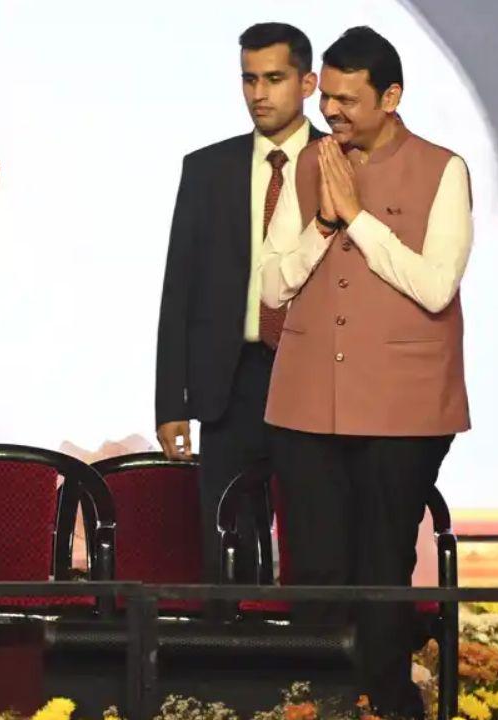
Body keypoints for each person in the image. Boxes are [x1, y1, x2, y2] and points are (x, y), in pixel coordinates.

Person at [258, 26, 473, 717]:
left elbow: (437, 286)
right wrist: (323, 226)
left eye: (349, 100)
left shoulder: (444, 169)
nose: (332, 112)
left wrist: (361, 220)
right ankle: (314, 702)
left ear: (392, 96)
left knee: (384, 562)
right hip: (305, 402)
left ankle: (387, 701)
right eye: (329, 97)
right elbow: (271, 287)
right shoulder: (306, 167)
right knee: (316, 565)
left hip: (403, 405)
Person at [154, 22, 321, 585]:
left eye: (274, 79)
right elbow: (180, 288)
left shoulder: (342, 163)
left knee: (313, 531)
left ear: (308, 83)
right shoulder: (207, 169)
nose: (259, 93)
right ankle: (230, 662)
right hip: (231, 381)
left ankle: (311, 662)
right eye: (249, 79)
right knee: (224, 540)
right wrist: (169, 400)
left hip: (316, 374)